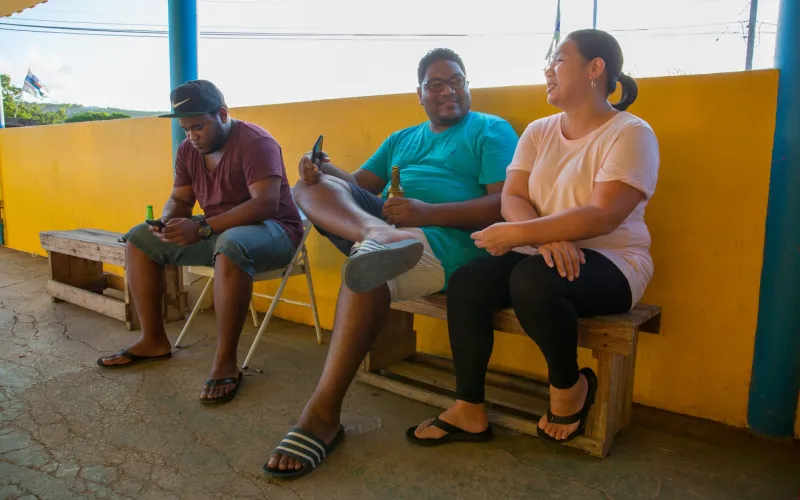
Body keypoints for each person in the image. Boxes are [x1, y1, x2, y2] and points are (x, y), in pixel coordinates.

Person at [263, 48, 519, 478]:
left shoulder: (491, 130)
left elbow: (504, 206)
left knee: (367, 273)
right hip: (388, 230)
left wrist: (426, 213)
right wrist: (325, 172)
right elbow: (358, 188)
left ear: (468, 86)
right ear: (418, 93)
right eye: (436, 84)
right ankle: (377, 239)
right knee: (309, 187)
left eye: (457, 80)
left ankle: (322, 414)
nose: (448, 90)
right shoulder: (402, 138)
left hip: (445, 243)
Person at [409, 29, 660, 445]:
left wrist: (526, 235)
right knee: (469, 281)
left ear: (595, 68)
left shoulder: (630, 132)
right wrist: (543, 240)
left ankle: (569, 386)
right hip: (539, 252)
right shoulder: (540, 131)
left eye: (559, 60)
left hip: (613, 261)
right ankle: (469, 407)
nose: (548, 70)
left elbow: (603, 215)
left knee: (532, 280)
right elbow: (513, 196)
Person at [97, 80, 304, 405]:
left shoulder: (256, 142)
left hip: (274, 230)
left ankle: (226, 362)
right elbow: (180, 199)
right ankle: (153, 339)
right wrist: (166, 221)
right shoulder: (188, 151)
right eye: (185, 129)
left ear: (222, 114)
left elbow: (265, 204)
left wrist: (203, 228)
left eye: (198, 127)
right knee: (138, 237)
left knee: (232, 244)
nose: (191, 136)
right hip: (217, 232)